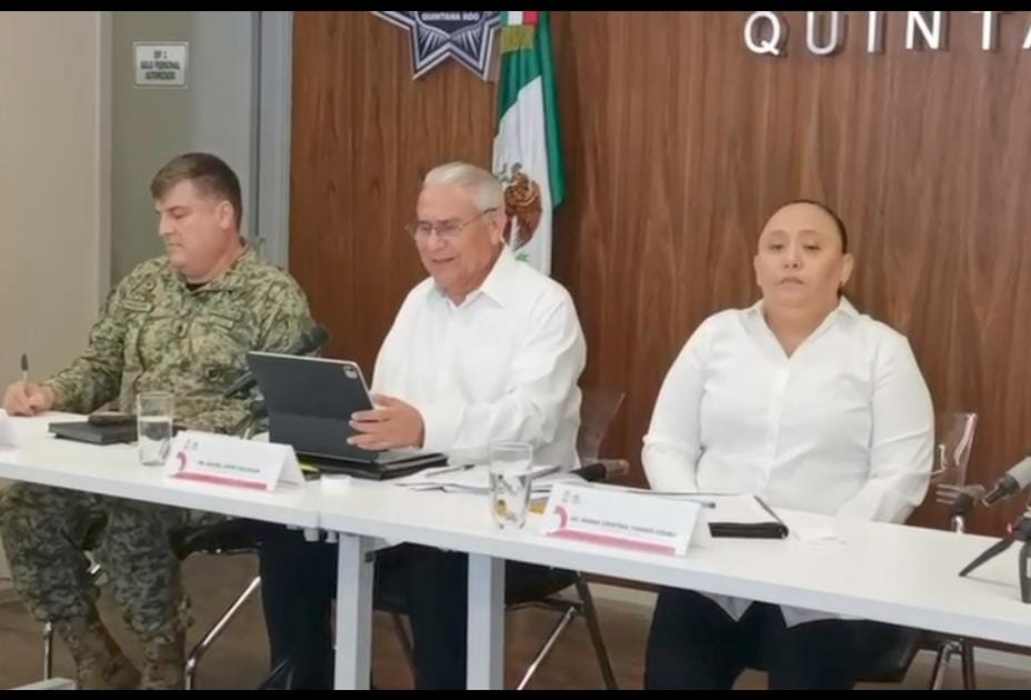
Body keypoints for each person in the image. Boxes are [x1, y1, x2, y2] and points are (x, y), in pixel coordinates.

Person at [258, 161, 587, 689]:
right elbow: (387, 403)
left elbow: (530, 422)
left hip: (509, 515)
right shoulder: (419, 301)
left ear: (496, 224)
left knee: (441, 565)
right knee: (290, 540)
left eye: (447, 228)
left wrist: (424, 427)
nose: (432, 244)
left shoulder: (545, 306)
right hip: (409, 501)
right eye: (423, 228)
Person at [0, 152, 314, 689]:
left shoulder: (272, 297)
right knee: (22, 505)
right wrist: (48, 391)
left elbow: (290, 406)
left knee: (131, 507)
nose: (164, 229)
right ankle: (96, 654)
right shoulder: (145, 284)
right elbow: (99, 365)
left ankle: (162, 661)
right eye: (161, 216)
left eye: (178, 214)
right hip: (122, 453)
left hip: (206, 475)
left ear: (223, 216)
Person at [641, 200, 934, 689]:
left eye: (811, 247)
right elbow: (664, 445)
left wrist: (830, 544)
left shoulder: (881, 350)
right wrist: (696, 520)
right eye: (775, 247)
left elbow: (901, 473)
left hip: (826, 581)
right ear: (758, 267)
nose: (791, 259)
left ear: (843, 268)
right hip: (712, 567)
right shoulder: (716, 335)